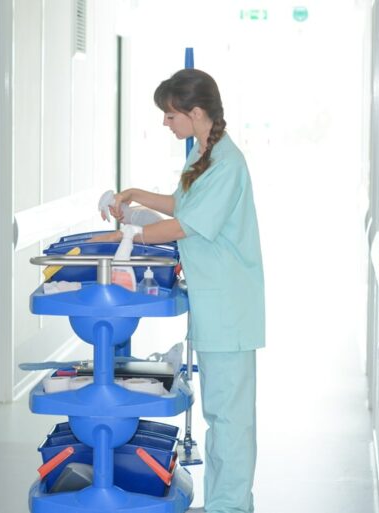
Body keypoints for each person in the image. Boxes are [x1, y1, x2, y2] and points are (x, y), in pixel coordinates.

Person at [94, 68, 264, 513]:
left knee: (230, 421)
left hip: (230, 309)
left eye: (171, 116)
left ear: (196, 112)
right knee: (220, 416)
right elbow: (182, 203)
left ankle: (230, 507)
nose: (166, 124)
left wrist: (127, 236)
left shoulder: (227, 163)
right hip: (215, 304)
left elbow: (186, 224)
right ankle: (224, 504)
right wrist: (138, 197)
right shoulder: (203, 155)